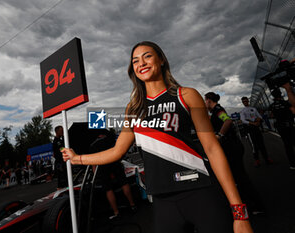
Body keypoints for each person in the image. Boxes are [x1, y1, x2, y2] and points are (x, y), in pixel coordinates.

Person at [63, 41, 253, 233]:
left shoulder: (186, 95)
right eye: (135, 60)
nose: (141, 63)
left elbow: (212, 149)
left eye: (147, 56)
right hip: (163, 202)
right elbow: (117, 151)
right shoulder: (134, 108)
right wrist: (77, 158)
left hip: (200, 191)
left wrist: (239, 212)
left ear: (161, 60)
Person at [205, 92, 265, 214]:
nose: (205, 103)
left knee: (240, 177)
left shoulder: (218, 110)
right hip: (232, 147)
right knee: (237, 177)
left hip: (232, 147)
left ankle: (256, 206)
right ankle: (250, 204)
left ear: (209, 100)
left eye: (205, 100)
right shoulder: (216, 112)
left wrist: (219, 135)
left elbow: (227, 121)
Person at [90, 133, 136, 220]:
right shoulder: (110, 138)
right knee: (124, 183)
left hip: (102, 166)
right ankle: (132, 205)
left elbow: (93, 163)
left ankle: (116, 212)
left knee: (108, 189)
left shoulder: (93, 145)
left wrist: (95, 174)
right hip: (115, 162)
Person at [240, 96, 273, 167]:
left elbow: (260, 116)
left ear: (248, 101)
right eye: (244, 101)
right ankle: (257, 160)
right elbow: (243, 120)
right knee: (254, 145)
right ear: (242, 102)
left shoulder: (253, 109)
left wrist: (258, 120)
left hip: (256, 128)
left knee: (262, 144)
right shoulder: (242, 111)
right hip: (249, 130)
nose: (245, 102)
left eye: (246, 101)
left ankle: (267, 159)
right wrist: (252, 123)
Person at [268, 83, 295, 169]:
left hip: (280, 127)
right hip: (290, 125)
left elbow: (271, 115)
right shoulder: (285, 103)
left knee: (287, 145)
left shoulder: (272, 106)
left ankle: (292, 164)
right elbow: (293, 111)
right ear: (280, 94)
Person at [53, 126, 67, 190]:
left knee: (65, 177)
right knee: (61, 178)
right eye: (61, 131)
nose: (62, 132)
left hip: (63, 161)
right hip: (59, 163)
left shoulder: (60, 140)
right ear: (57, 132)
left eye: (63, 130)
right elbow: (62, 149)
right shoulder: (56, 141)